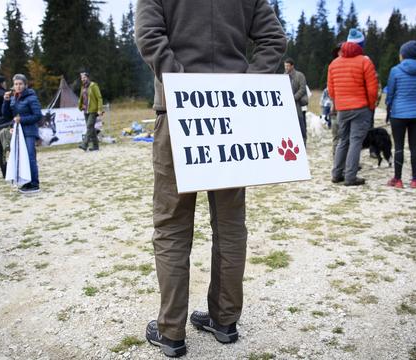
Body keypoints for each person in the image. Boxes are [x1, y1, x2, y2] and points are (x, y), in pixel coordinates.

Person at [135, 0, 286, 357]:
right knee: (231, 224)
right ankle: (224, 321)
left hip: (178, 112)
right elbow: (274, 41)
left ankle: (172, 331)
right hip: (234, 114)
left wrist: (183, 86)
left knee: (172, 225)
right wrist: (245, 89)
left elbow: (148, 36)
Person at [329, 29, 378, 186]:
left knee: (343, 140)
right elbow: (372, 89)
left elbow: (331, 90)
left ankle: (336, 174)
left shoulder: (334, 63)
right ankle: (350, 177)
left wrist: (338, 103)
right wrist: (371, 106)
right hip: (360, 108)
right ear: (361, 45)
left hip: (342, 109)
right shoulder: (365, 61)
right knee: (356, 141)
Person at [385, 41, 416, 189]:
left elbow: (390, 93)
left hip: (399, 113)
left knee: (398, 147)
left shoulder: (395, 70)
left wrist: (388, 107)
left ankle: (398, 180)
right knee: (414, 146)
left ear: (402, 54)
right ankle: (415, 180)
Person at [2, 74, 43, 194]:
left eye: (20, 84)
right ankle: (26, 182)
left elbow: (38, 115)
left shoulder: (31, 97)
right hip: (18, 133)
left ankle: (34, 184)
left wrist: (22, 120)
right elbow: (7, 115)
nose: (18, 86)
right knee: (22, 159)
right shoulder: (14, 97)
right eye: (16, 84)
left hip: (29, 131)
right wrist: (5, 101)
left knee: (30, 157)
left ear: (25, 85)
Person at [284, 58, 308, 144]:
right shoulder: (283, 76)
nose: (286, 68)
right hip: (287, 107)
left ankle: (303, 145)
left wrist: (293, 98)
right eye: (285, 66)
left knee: (302, 129)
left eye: (287, 66)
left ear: (292, 66)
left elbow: (302, 89)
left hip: (298, 105)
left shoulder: (300, 75)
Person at [77, 72, 103, 151]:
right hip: (85, 110)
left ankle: (84, 144)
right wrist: (80, 106)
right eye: (82, 78)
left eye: (84, 77)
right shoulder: (83, 87)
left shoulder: (93, 86)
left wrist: (99, 109)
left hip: (93, 110)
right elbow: (81, 97)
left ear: (88, 78)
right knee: (91, 128)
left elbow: (99, 98)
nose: (83, 79)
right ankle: (96, 147)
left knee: (89, 126)